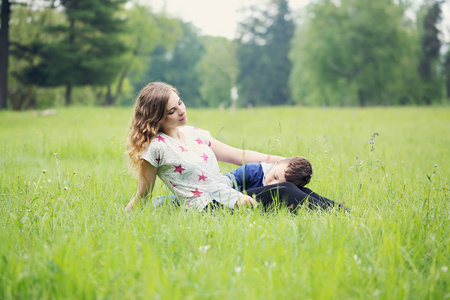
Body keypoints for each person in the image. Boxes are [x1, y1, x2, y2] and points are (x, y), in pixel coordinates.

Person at [125, 82, 284, 212]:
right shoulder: (156, 148)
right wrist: (124, 218)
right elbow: (143, 194)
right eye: (172, 111)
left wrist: (282, 161)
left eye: (180, 102)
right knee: (283, 192)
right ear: (156, 118)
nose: (181, 111)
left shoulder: (195, 133)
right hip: (205, 207)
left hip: (225, 193)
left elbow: (238, 156)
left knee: (286, 181)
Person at [208, 156, 346, 211]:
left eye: (278, 181)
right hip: (221, 207)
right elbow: (215, 186)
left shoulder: (285, 182)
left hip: (254, 212)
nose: (271, 184)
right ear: (277, 163)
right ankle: (332, 213)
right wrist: (237, 198)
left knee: (305, 192)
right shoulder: (252, 170)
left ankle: (343, 212)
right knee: (284, 189)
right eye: (274, 176)